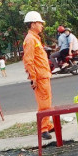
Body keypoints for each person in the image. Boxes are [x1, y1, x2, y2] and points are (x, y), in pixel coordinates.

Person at [22, 11, 54, 140]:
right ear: (33, 24)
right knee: (44, 104)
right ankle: (43, 129)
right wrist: (33, 78)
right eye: (40, 23)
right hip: (39, 77)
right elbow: (28, 60)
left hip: (43, 75)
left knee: (47, 101)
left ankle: (48, 125)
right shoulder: (30, 39)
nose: (42, 26)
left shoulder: (34, 38)